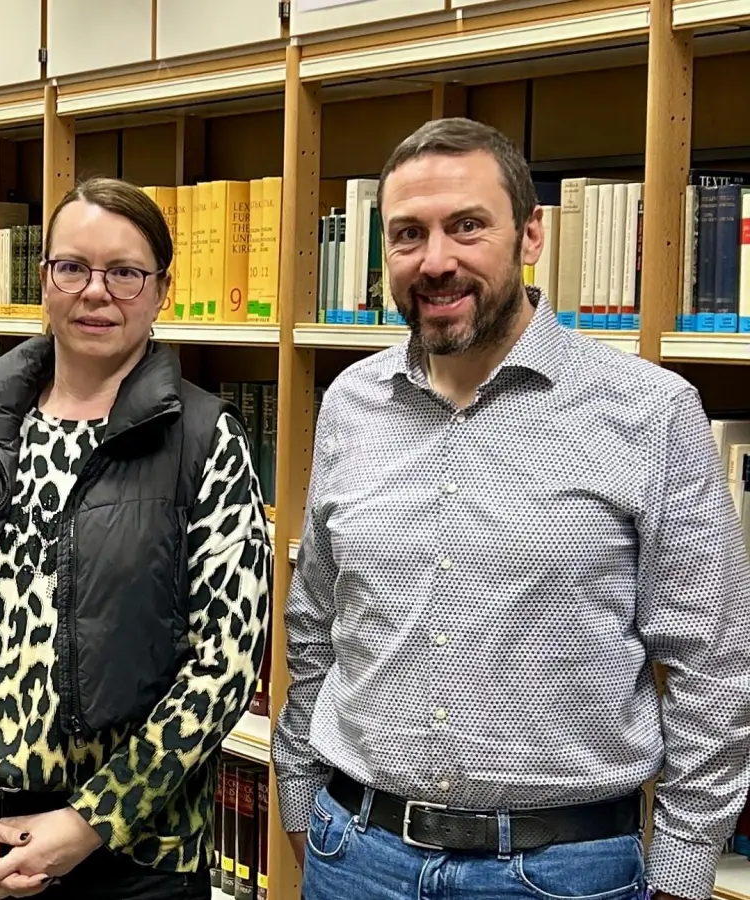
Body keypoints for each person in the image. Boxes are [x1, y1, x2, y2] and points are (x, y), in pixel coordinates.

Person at [274, 116, 750, 900]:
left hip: (563, 871)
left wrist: (684, 865)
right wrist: (297, 792)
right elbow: (316, 620)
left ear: (531, 236)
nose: (436, 262)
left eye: (467, 227)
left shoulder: (650, 411)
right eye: (407, 235)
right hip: (356, 854)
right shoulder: (349, 404)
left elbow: (713, 661)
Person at [0, 176, 273, 900]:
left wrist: (89, 820)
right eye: (73, 268)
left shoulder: (203, 439)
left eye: (125, 273)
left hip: (135, 851)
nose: (97, 292)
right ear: (45, 280)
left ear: (161, 289)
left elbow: (224, 665)